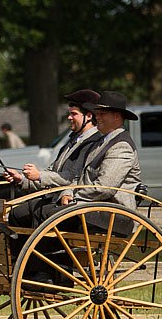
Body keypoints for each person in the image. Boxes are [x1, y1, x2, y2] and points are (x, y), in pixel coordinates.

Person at [6, 89, 104, 228]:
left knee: (37, 213)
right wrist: (22, 178)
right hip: (54, 198)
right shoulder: (74, 141)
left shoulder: (94, 143)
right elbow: (52, 171)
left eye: (74, 114)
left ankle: (37, 250)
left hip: (71, 202)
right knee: (16, 214)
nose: (69, 117)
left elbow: (72, 177)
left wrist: (39, 175)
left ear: (88, 116)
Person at [58, 90, 142, 234]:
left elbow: (104, 187)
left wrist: (74, 198)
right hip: (94, 208)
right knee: (37, 210)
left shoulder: (122, 146)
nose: (97, 117)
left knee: (45, 214)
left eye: (102, 113)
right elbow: (80, 177)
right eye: (97, 113)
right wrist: (67, 192)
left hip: (114, 215)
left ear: (117, 116)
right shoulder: (100, 142)